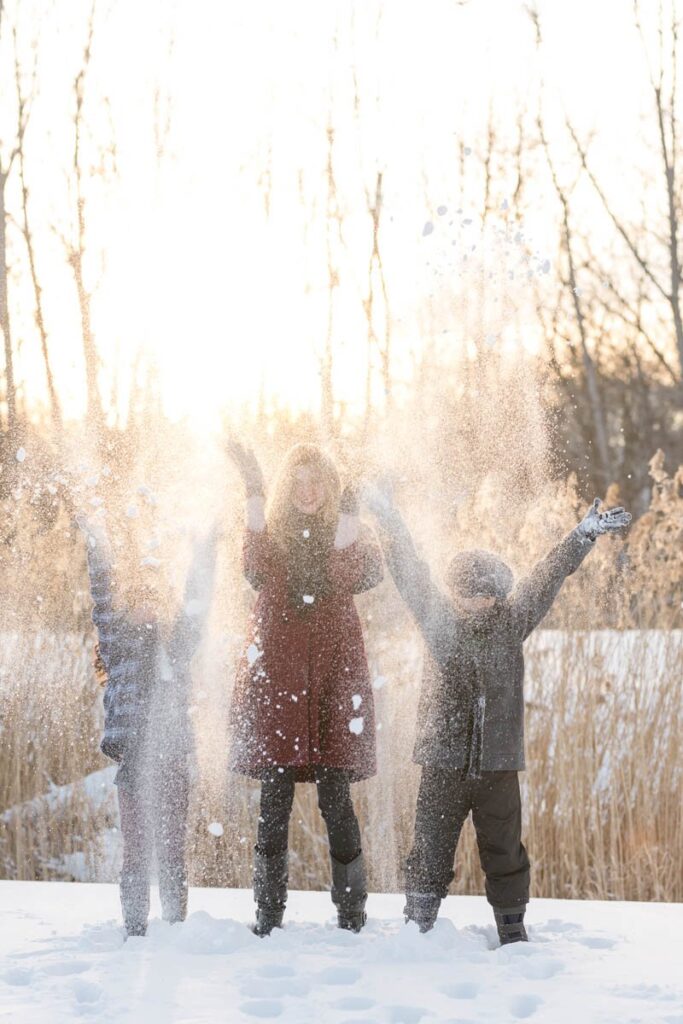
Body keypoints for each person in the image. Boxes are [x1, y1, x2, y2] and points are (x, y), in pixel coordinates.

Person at [362, 487, 631, 944]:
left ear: (498, 596)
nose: (477, 603)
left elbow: (547, 575)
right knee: (429, 852)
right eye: (468, 595)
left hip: (498, 765)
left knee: (505, 853)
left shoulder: (512, 622)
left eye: (486, 596)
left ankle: (511, 929)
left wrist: (581, 536)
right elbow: (410, 571)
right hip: (442, 762)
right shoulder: (439, 620)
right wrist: (390, 519)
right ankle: (418, 926)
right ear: (455, 593)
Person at [227, 441, 383, 936]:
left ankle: (351, 915)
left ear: (330, 486)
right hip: (280, 680)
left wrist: (352, 510)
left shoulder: (349, 536)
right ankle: (268, 916)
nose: (308, 490)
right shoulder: (275, 537)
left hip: (333, 681)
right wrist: (252, 487)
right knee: (273, 800)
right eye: (297, 481)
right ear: (285, 488)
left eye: (317, 480)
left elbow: (348, 572)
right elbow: (252, 567)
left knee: (335, 799)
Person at [77, 515, 218, 937]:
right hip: (134, 765)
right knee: (137, 850)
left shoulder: (175, 647)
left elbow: (197, 600)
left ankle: (174, 926)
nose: (147, 605)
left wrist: (205, 549)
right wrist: (97, 542)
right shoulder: (116, 643)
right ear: (129, 602)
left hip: (172, 759)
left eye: (155, 598)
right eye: (139, 597)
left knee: (172, 850)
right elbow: (102, 596)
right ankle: (134, 929)